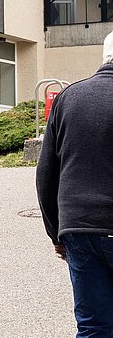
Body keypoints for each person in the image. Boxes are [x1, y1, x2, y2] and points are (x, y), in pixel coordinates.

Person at [37, 30, 113, 337]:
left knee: (93, 326)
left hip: (79, 228)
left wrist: (56, 232)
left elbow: (46, 174)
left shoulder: (69, 98)